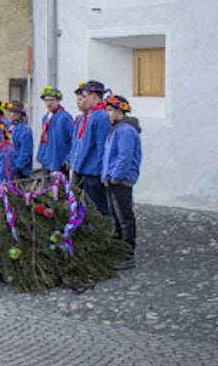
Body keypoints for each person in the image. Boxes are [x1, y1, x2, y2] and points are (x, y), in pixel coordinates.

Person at [102, 94, 141, 270]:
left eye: (110, 110)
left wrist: (116, 176)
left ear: (119, 110)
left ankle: (128, 253)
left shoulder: (125, 130)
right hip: (112, 179)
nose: (107, 113)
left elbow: (124, 157)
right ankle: (117, 249)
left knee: (124, 216)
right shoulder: (116, 128)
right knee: (116, 216)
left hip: (121, 180)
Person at [70, 80, 112, 217]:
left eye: (85, 95)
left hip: (94, 171)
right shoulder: (89, 116)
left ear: (94, 96)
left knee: (98, 208)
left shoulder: (101, 116)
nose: (83, 99)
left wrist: (102, 171)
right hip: (83, 169)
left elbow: (103, 147)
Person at [36, 86, 73, 177]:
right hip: (46, 162)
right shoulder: (46, 118)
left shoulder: (65, 117)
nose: (49, 103)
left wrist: (68, 159)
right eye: (46, 100)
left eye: (52, 100)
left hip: (60, 162)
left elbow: (73, 139)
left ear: (58, 101)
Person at [4, 100, 33, 179]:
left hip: (20, 171)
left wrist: (18, 167)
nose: (12, 115)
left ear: (21, 114)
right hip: (7, 169)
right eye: (10, 112)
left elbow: (26, 151)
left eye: (15, 112)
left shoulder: (25, 130)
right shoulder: (7, 128)